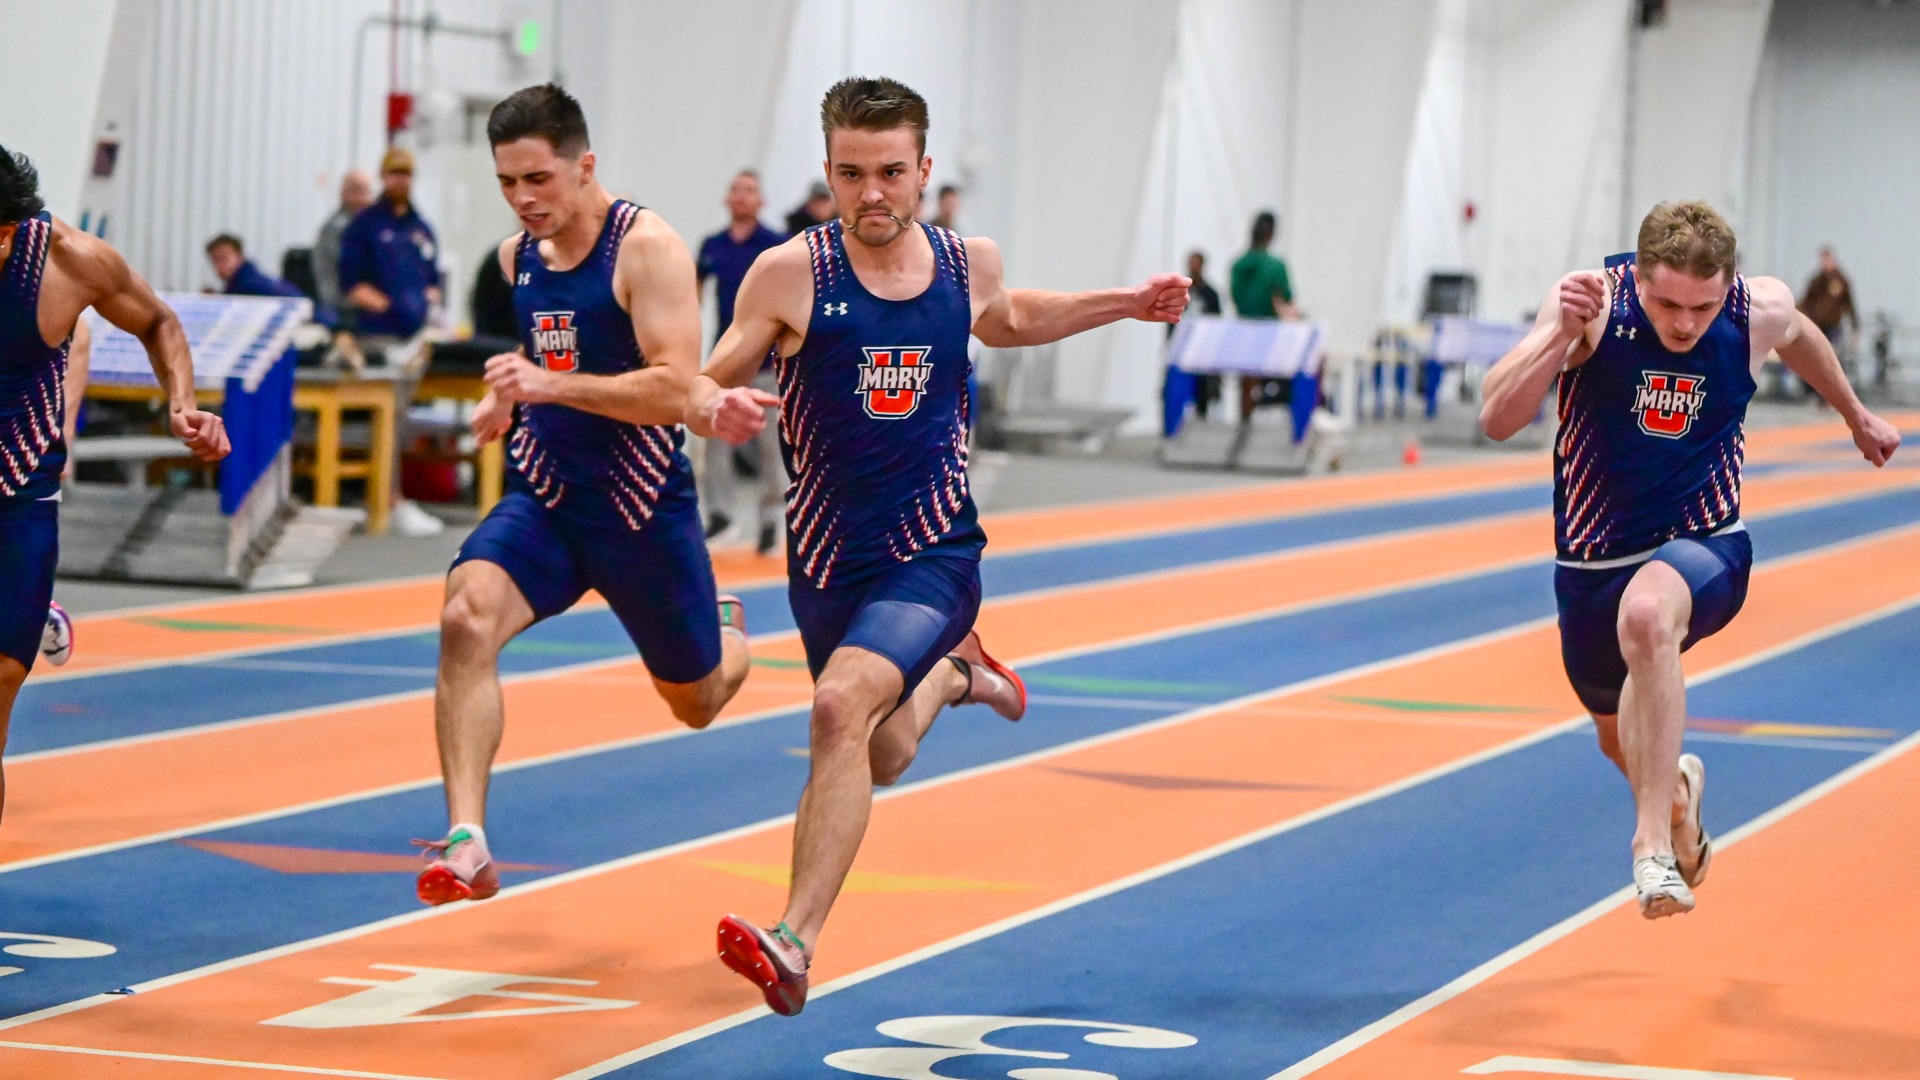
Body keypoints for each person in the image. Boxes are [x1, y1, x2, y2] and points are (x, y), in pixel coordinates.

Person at [687, 76, 1190, 1016]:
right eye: (849, 174)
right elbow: (707, 376)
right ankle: (956, 677)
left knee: (840, 709)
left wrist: (1128, 302)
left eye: (889, 172)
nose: (870, 193)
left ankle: (792, 941)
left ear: (923, 169)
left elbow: (1013, 318)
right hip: (829, 561)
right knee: (878, 754)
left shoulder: (966, 264)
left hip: (935, 551)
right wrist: (709, 403)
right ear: (828, 173)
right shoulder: (790, 273)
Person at [1478, 200, 1898, 920]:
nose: (1683, 324)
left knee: (1648, 617)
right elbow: (1496, 419)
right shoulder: (1593, 302)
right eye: (1666, 302)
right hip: (1590, 564)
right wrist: (1557, 334)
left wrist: (1856, 415)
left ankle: (1650, 850)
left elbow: (1802, 340)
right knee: (1624, 743)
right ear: (1638, 277)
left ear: (1727, 285)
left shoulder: (1755, 309)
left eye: (1701, 307)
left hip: (1705, 544)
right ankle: (1676, 800)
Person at [414, 84, 754, 905]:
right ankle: (467, 840)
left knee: (698, 701)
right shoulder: (515, 260)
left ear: (584, 165)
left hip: (640, 509)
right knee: (465, 617)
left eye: (539, 180)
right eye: (507, 183)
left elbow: (677, 390)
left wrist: (549, 388)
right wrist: (508, 397)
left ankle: (727, 629)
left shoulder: (651, 251)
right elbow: (543, 357)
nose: (524, 200)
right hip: (548, 496)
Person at [0, 145, 228, 826]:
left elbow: (156, 320)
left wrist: (180, 402)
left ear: (6, 232)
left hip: (19, 491)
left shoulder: (71, 262)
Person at [695, 169, 786, 552]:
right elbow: (693, 296)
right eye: (736, 190)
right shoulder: (712, 245)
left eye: (750, 191)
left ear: (760, 200)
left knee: (771, 447)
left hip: (766, 362)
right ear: (727, 199)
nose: (742, 197)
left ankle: (771, 520)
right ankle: (720, 515)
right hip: (725, 362)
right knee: (714, 440)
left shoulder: (775, 244)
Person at [340, 147, 442, 341]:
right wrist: (386, 307)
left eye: (406, 174)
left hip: (417, 331)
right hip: (377, 331)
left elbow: (433, 280)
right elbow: (350, 283)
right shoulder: (364, 225)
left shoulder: (422, 229)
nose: (401, 180)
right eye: (395, 173)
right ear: (383, 176)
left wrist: (426, 303)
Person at [1229, 210, 1297, 419]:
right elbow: (1285, 297)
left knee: (1247, 381)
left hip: (1244, 328)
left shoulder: (1239, 264)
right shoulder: (1275, 266)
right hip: (1269, 332)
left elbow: (1235, 295)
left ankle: (1245, 417)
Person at [313, 169, 376, 324]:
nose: (363, 197)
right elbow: (336, 282)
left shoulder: (373, 226)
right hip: (341, 306)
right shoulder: (335, 229)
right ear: (344, 193)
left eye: (366, 191)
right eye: (356, 190)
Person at [1799, 246, 1857, 384]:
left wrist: (1855, 327)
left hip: (1833, 325)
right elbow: (1806, 302)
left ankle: (1833, 387)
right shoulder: (1816, 281)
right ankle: (1813, 388)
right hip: (1817, 325)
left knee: (1832, 356)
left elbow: (1849, 304)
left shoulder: (1842, 280)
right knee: (1814, 357)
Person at [204, 234, 305, 298]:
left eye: (223, 259)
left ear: (240, 256)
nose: (219, 266)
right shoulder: (241, 285)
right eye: (214, 261)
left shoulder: (251, 286)